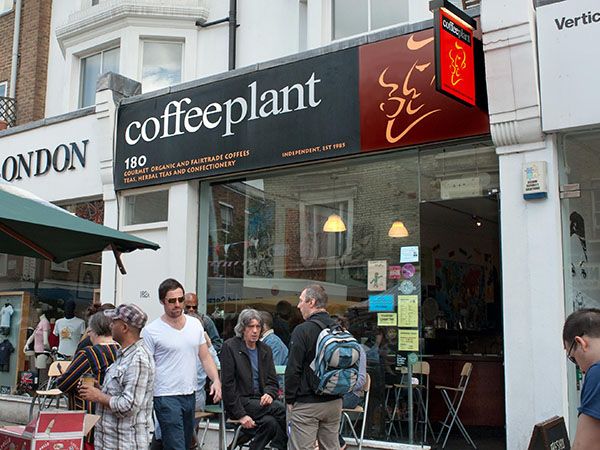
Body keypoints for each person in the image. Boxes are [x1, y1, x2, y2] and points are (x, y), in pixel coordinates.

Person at [142, 278, 222, 450]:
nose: (177, 304)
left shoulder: (195, 325)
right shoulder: (151, 331)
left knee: (182, 443)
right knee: (176, 445)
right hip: (165, 395)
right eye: (172, 301)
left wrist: (215, 380)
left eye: (180, 299)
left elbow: (205, 357)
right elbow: (146, 367)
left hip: (190, 393)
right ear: (162, 301)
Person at [79, 304, 155, 450]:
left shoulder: (138, 359)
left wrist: (98, 396)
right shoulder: (124, 354)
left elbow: (129, 405)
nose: (111, 326)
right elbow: (121, 392)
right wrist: (99, 389)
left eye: (114, 322)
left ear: (124, 328)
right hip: (110, 442)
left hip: (125, 443)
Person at [285, 285, 343, 450]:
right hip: (334, 400)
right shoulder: (338, 329)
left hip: (307, 402)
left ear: (312, 302)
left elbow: (293, 368)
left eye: (301, 301)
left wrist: (290, 400)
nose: (298, 306)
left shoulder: (302, 330)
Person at [221, 308, 287, 450]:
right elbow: (228, 386)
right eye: (251, 327)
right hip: (240, 402)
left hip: (261, 402)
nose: (255, 331)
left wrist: (269, 393)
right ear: (242, 329)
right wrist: (241, 415)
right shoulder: (230, 347)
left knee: (271, 423)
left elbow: (273, 382)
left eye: (258, 327)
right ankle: (283, 446)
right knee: (280, 409)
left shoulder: (265, 350)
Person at [56, 311, 120, 447]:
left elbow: (64, 384)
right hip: (114, 424)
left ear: (93, 331)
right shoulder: (121, 350)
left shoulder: (88, 354)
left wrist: (61, 377)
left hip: (89, 424)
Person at [563, 308, 600, 449]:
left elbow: (584, 446)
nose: (582, 370)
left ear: (580, 343)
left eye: (573, 358)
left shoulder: (597, 372)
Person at [333, 316, 367, 450]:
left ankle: (339, 443)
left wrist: (343, 388)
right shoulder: (331, 349)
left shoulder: (358, 349)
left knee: (323, 407)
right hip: (335, 393)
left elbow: (362, 379)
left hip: (351, 394)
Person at [259, 310, 288, 390]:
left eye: (256, 325)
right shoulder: (268, 341)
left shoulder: (273, 343)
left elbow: (270, 372)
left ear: (263, 326)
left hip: (276, 390)